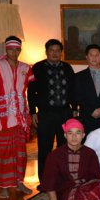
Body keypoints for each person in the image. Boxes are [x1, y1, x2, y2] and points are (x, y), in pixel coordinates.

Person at [0, 36, 35, 200]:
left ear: (20, 49)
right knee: (4, 151)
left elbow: (27, 91)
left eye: (17, 49)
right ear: (6, 49)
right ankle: (4, 186)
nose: (14, 52)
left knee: (20, 152)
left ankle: (19, 182)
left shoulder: (26, 68)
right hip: (3, 117)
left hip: (20, 116)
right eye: (11, 48)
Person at [28, 39, 76, 184]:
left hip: (64, 114)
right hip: (45, 114)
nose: (55, 53)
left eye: (57, 51)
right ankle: (44, 180)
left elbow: (73, 90)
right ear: (46, 51)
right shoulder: (37, 68)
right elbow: (31, 92)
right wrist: (33, 112)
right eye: (52, 50)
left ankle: (62, 178)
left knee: (64, 147)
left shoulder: (67, 68)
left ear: (61, 52)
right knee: (44, 148)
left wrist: (74, 110)